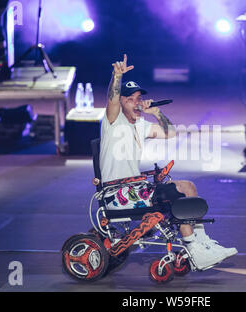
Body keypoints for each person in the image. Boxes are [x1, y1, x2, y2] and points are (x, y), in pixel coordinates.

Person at [99, 54, 237, 269]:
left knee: (188, 187)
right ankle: (193, 248)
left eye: (138, 98)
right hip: (119, 194)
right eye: (130, 99)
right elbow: (112, 100)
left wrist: (157, 112)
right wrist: (116, 77)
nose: (136, 103)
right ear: (121, 103)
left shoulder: (141, 124)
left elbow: (170, 132)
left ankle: (202, 243)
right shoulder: (112, 122)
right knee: (177, 193)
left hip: (135, 189)